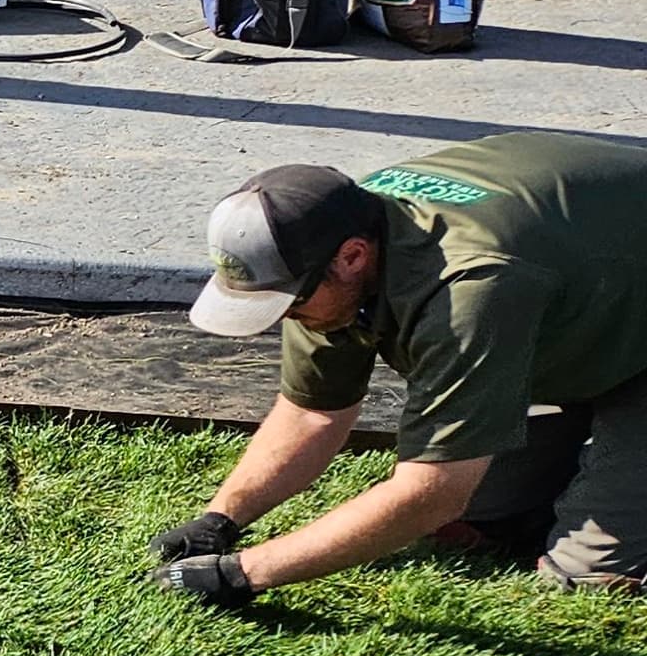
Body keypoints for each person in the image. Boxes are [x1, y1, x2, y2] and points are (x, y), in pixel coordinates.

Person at [157, 135, 647, 602]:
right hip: (599, 292)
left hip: (608, 299)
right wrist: (220, 521)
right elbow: (312, 414)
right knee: (483, 514)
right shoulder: (329, 234)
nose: (285, 318)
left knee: (587, 576)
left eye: (290, 303)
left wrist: (245, 573)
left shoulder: (468, 287)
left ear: (352, 257)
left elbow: (433, 493)